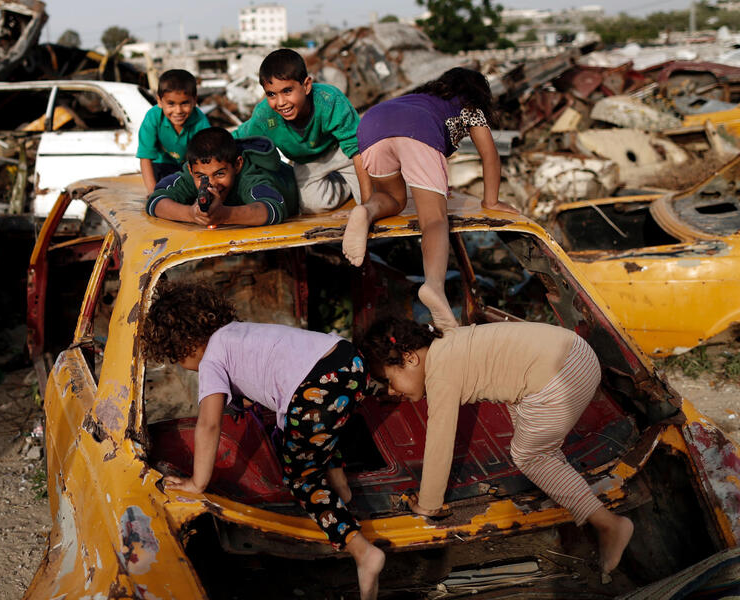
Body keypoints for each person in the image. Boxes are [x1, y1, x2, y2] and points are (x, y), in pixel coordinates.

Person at [141, 280, 385, 600]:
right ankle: (341, 489)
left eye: (176, 360)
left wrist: (197, 483)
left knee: (301, 476)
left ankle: (363, 552)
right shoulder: (237, 331)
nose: (183, 368)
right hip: (347, 359)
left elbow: (209, 424)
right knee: (316, 430)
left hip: (315, 386)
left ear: (184, 348)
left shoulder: (212, 359)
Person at [362, 316, 634, 577]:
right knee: (532, 437)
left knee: (529, 456)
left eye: (388, 380)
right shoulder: (448, 340)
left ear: (410, 358)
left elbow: (439, 442)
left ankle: (609, 525)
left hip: (558, 375)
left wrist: (428, 505)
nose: (391, 391)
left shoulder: (440, 375)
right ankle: (564, 483)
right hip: (575, 353)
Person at [343, 68, 519, 332]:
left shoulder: (419, 97)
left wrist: (366, 200)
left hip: (372, 124)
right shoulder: (469, 105)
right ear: (478, 93)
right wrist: (491, 202)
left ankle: (366, 212)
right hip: (418, 129)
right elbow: (490, 154)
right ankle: (434, 286)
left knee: (392, 198)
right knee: (434, 220)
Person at [232, 48, 372, 214]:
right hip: (306, 161)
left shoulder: (329, 100)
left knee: (371, 194)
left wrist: (367, 206)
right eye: (271, 94)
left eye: (287, 91)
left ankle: (356, 183)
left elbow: (357, 149)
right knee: (311, 206)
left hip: (342, 151)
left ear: (306, 86)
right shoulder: (264, 116)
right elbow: (239, 138)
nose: (281, 102)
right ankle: (343, 186)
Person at [146, 127, 298, 227]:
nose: (211, 183)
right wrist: (191, 214)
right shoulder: (192, 172)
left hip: (296, 188)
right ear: (190, 170)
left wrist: (224, 215)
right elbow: (156, 200)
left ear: (237, 165)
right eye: (202, 177)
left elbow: (273, 208)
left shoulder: (250, 175)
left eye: (219, 174)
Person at [137, 69, 210, 193]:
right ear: (160, 101)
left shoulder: (201, 122)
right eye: (171, 104)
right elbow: (145, 157)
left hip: (187, 167)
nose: (178, 111)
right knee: (161, 191)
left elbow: (206, 158)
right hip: (160, 166)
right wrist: (152, 193)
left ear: (194, 100)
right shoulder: (153, 117)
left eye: (185, 103)